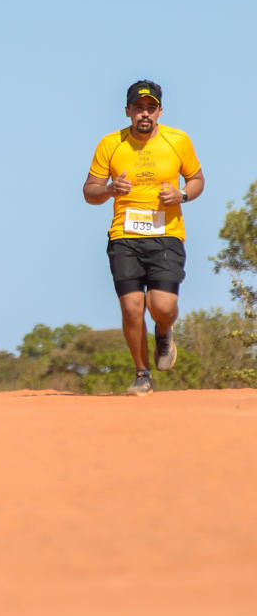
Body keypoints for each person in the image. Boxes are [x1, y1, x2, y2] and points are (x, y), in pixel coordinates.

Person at [83, 80, 204, 396]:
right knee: (132, 308)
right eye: (138, 108)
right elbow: (89, 191)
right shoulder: (110, 144)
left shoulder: (178, 141)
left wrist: (181, 195)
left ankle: (164, 331)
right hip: (124, 237)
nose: (144, 114)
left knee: (160, 305)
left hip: (167, 236)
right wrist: (109, 189)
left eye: (151, 108)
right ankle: (142, 373)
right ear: (128, 111)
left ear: (160, 111)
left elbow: (196, 179)